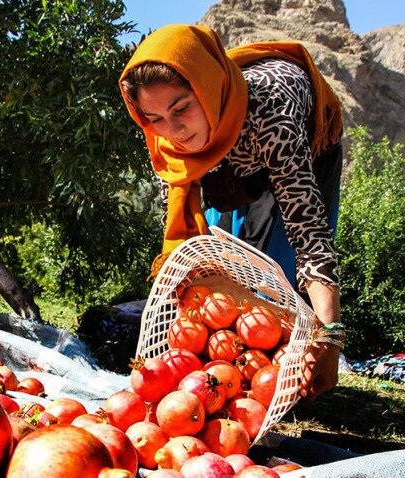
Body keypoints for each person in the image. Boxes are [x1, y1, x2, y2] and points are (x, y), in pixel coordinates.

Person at [118, 24, 345, 401]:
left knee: (282, 270)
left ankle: (287, 371)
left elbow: (310, 238)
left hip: (300, 144)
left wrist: (330, 338)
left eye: (181, 108)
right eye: (155, 118)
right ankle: (232, 377)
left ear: (207, 90)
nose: (172, 130)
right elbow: (185, 235)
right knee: (229, 264)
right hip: (228, 156)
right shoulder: (166, 139)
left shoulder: (272, 116)